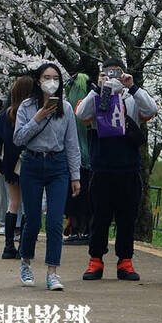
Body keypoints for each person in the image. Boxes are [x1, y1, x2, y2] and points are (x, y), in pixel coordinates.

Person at [76, 58, 158, 282]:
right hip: (101, 168)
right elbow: (81, 115)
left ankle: (125, 261)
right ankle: (95, 261)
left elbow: (151, 109)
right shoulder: (96, 96)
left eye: (117, 73)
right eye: (108, 73)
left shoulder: (131, 98)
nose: (113, 77)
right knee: (99, 217)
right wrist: (98, 90)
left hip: (128, 168)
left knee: (127, 218)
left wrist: (132, 86)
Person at [13, 63, 82, 291]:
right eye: (46, 77)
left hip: (57, 165)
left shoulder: (66, 108)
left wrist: (75, 175)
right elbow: (18, 138)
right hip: (32, 164)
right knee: (32, 219)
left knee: (54, 221)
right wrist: (38, 117)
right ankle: (26, 261)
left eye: (55, 77)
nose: (51, 81)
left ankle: (53, 271)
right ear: (38, 80)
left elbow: (72, 143)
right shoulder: (26, 106)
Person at [0, 74, 33, 259]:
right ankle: (24, 245)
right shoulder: (33, 114)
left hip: (11, 164)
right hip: (31, 162)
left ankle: (8, 246)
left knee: (13, 204)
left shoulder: (6, 116)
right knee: (30, 205)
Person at [64, 67, 92, 244]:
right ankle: (87, 229)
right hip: (90, 159)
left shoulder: (67, 105)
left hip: (71, 159)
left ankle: (75, 230)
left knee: (73, 196)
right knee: (89, 196)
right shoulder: (90, 103)